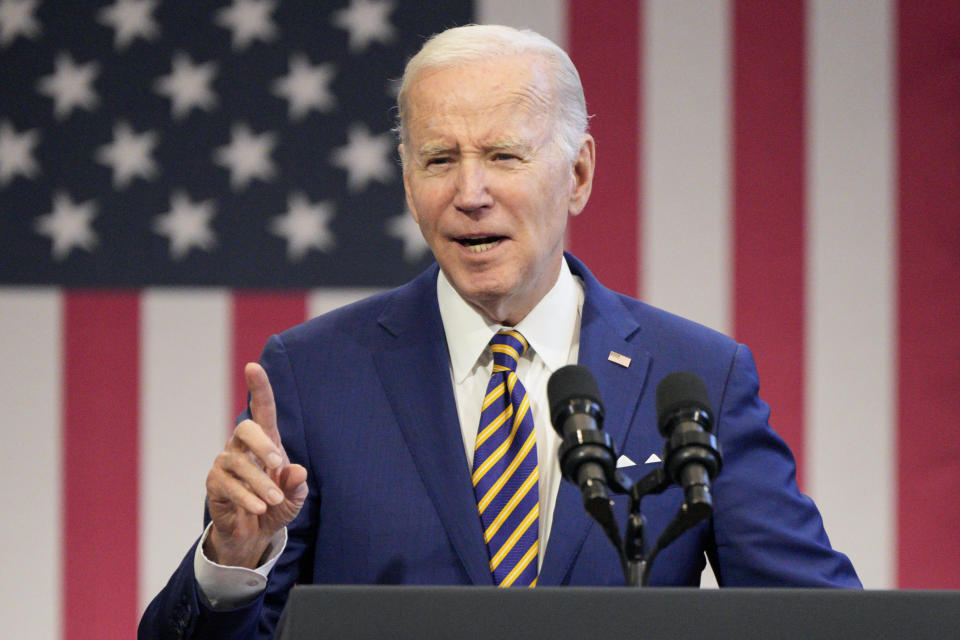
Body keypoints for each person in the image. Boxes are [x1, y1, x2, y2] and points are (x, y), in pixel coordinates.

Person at [139, 24, 859, 639]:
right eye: (439, 159)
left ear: (577, 174)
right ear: (407, 181)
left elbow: (821, 622)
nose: (470, 193)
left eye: (504, 156)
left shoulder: (695, 376)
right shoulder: (312, 377)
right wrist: (231, 563)